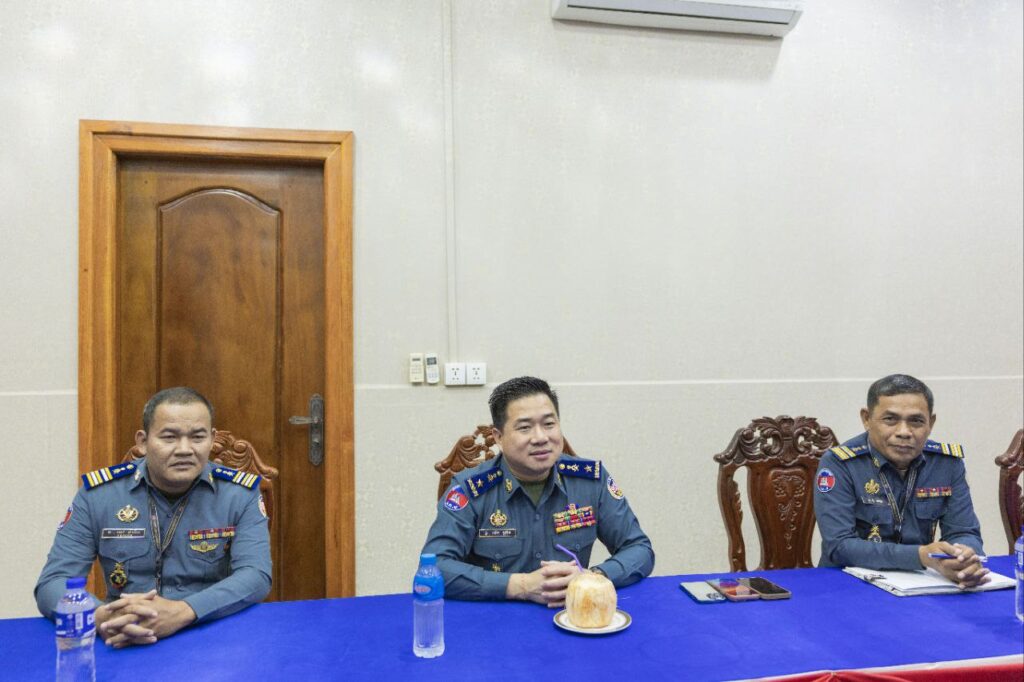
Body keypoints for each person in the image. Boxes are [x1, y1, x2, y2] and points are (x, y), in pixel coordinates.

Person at [35, 387, 271, 647]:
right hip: (123, 634)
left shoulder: (239, 495)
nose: (185, 449)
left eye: (197, 437)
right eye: (169, 437)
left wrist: (184, 611)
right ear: (143, 441)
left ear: (212, 439)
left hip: (208, 630)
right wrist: (100, 616)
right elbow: (53, 583)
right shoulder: (99, 496)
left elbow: (255, 575)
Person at [421, 376, 654, 605]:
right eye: (525, 428)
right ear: (499, 437)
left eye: (549, 424)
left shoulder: (591, 481)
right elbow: (435, 567)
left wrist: (591, 577)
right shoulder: (470, 489)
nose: (541, 438)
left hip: (571, 615)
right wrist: (521, 586)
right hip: (496, 618)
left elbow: (639, 549)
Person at [814, 374, 988, 588]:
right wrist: (920, 556)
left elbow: (964, 532)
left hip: (922, 584)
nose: (904, 432)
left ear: (931, 422)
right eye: (890, 419)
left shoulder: (946, 464)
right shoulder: (840, 464)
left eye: (916, 421)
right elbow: (839, 546)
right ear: (866, 418)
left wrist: (963, 557)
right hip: (848, 584)